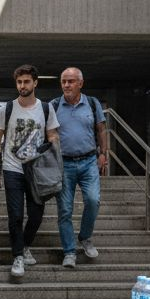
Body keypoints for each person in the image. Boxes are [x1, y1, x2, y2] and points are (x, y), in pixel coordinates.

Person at [0, 65, 60, 278]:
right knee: (16, 215)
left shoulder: (46, 109)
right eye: (19, 82)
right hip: (12, 168)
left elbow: (53, 136)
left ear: (35, 83)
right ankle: (18, 256)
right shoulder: (7, 109)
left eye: (26, 82)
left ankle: (25, 244)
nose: (22, 86)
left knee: (37, 215)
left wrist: (53, 150)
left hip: (37, 171)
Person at [50, 66, 109, 268]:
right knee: (65, 210)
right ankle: (69, 251)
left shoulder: (92, 104)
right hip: (63, 164)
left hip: (89, 161)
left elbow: (101, 130)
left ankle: (85, 236)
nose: (66, 85)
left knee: (93, 200)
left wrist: (103, 153)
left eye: (71, 81)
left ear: (80, 84)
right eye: (64, 81)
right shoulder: (54, 105)